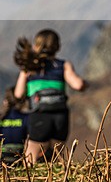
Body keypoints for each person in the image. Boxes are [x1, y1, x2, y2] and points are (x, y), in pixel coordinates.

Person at [13, 29, 87, 163]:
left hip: (39, 116)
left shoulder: (29, 67)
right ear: (57, 46)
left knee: (31, 159)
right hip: (60, 117)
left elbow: (18, 94)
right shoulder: (63, 65)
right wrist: (86, 83)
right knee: (58, 158)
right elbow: (78, 85)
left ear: (36, 45)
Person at [1, 87, 28, 165]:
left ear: (5, 101)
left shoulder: (2, 117)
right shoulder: (26, 117)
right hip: (20, 158)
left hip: (3, 159)